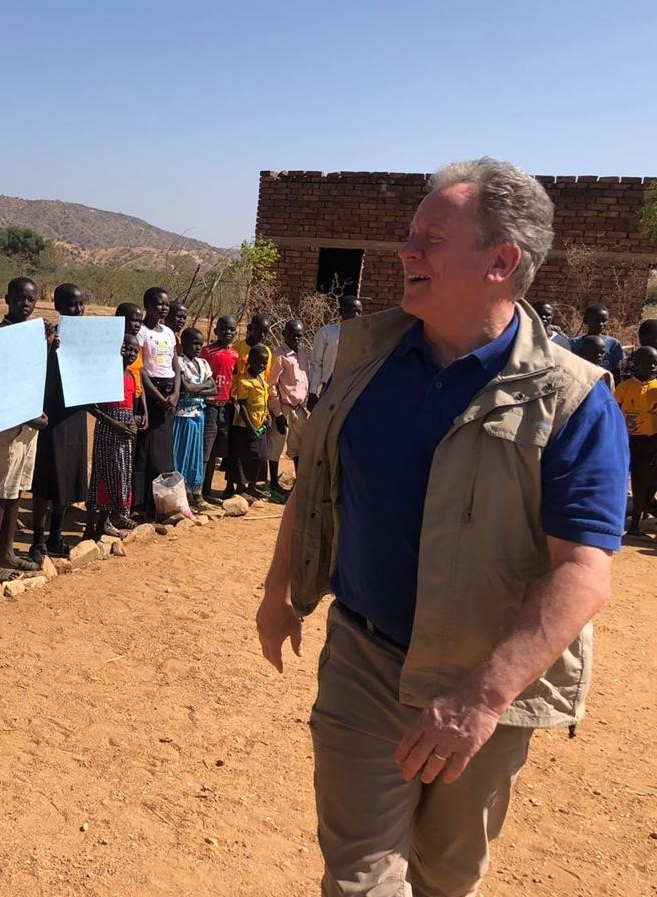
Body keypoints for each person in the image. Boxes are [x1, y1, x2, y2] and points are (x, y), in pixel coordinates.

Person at [257, 158, 628, 897]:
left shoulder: (573, 398)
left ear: (501, 262)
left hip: (483, 674)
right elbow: (317, 483)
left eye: (431, 238)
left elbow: (583, 570)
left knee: (447, 877)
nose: (405, 252)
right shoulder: (367, 357)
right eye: (410, 235)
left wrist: (484, 697)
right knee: (360, 877)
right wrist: (279, 593)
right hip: (364, 655)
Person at [0, 277, 48, 581]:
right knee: (2, 490)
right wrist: (28, 415)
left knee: (18, 487)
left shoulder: (33, 334)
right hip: (11, 425)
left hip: (31, 424)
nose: (26, 304)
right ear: (7, 299)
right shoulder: (0, 335)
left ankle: (6, 550)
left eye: (31, 299)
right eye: (20, 298)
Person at [30, 283, 89, 560]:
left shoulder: (89, 339)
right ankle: (37, 539)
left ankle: (56, 535)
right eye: (71, 305)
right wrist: (52, 350)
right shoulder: (47, 337)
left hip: (76, 415)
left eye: (81, 304)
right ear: (57, 307)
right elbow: (47, 387)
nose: (78, 310)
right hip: (52, 417)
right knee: (45, 479)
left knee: (67, 477)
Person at [82, 334, 141, 541]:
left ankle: (102, 526)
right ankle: (90, 529)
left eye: (135, 350)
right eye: (127, 348)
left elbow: (131, 406)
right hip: (108, 430)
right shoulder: (106, 374)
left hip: (125, 434)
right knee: (102, 477)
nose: (131, 353)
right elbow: (91, 406)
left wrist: (134, 421)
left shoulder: (131, 376)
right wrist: (115, 424)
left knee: (119, 477)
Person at [133, 287, 180, 517]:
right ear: (147, 305)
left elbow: (175, 364)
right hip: (151, 393)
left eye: (166, 304)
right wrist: (159, 398)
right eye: (159, 304)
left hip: (170, 394)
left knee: (163, 451)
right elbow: (140, 369)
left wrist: (175, 394)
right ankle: (140, 504)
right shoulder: (141, 332)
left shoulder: (169, 333)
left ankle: (160, 504)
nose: (163, 308)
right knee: (146, 450)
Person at [266, 317, 311, 498]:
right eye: (292, 335)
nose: (296, 338)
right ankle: (273, 483)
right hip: (283, 407)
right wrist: (277, 413)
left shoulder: (304, 353)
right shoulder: (279, 355)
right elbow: (272, 385)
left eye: (299, 335)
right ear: (284, 334)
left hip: (299, 408)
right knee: (277, 444)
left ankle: (298, 483)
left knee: (299, 445)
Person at [615, 346, 657, 535]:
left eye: (655, 363)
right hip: (628, 440)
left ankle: (639, 519)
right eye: (647, 363)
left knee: (647, 481)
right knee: (630, 479)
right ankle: (631, 522)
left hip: (651, 442)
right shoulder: (625, 387)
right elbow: (614, 410)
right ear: (636, 364)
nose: (652, 367)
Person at [173, 327, 216, 510]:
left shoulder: (203, 363)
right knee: (181, 455)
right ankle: (180, 496)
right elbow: (185, 388)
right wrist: (203, 386)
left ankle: (195, 494)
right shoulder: (178, 362)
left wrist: (194, 388)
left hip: (199, 414)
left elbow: (214, 389)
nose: (198, 347)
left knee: (195, 455)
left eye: (201, 344)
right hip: (183, 416)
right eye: (194, 343)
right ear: (184, 343)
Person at [200, 315, 239, 504]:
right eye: (224, 329)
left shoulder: (235, 354)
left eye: (231, 329)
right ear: (216, 331)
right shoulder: (207, 352)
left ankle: (209, 491)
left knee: (217, 451)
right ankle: (200, 491)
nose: (228, 333)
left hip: (226, 408)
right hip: (209, 406)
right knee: (206, 452)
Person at [226, 344, 270, 498]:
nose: (262, 366)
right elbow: (242, 405)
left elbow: (264, 400)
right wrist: (250, 426)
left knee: (260, 456)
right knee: (242, 457)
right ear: (250, 361)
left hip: (259, 423)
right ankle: (240, 488)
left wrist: (267, 417)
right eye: (259, 363)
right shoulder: (244, 381)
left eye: (265, 363)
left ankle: (252, 486)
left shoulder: (262, 378)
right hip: (244, 425)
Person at [308, 294, 363, 399]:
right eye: (352, 311)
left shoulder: (363, 337)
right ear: (341, 312)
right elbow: (316, 363)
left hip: (352, 391)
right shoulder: (327, 332)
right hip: (329, 389)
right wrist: (313, 391)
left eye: (359, 312)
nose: (356, 315)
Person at [570, 303, 623, 384]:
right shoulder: (575, 344)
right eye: (596, 320)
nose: (601, 324)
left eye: (604, 321)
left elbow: (616, 371)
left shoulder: (613, 344)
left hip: (605, 386)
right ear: (585, 320)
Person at [236, 313, 273, 379]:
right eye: (259, 330)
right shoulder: (237, 347)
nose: (262, 335)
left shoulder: (267, 352)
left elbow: (266, 375)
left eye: (265, 332)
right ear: (250, 328)